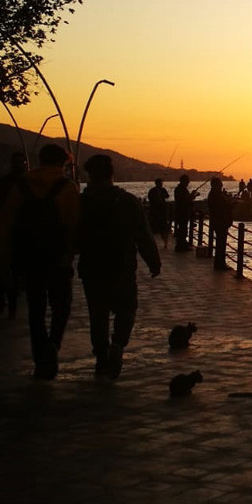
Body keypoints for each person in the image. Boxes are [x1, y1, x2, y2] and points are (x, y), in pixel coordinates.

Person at [0, 143, 80, 379]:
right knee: (62, 304)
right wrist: (70, 255)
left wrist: (2, 258)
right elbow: (73, 227)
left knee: (35, 307)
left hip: (28, 258)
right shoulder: (67, 187)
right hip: (58, 259)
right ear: (63, 162)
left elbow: (6, 226)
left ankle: (40, 355)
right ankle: (53, 343)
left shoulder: (21, 186)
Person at [78, 155, 162, 379]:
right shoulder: (127, 201)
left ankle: (101, 357)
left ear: (91, 175)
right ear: (111, 174)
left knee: (98, 314)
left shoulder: (82, 202)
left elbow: (71, 236)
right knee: (127, 308)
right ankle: (118, 344)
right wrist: (153, 261)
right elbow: (143, 235)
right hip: (122, 266)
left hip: (92, 268)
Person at [0, 152, 26, 317]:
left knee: (2, 264)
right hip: (21, 232)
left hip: (7, 230)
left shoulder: (6, 181)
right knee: (15, 268)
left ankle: (3, 299)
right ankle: (9, 302)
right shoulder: (28, 182)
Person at [207, 177, 235, 270]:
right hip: (220, 222)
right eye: (220, 184)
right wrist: (231, 203)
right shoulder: (216, 195)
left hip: (218, 221)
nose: (221, 185)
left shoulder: (214, 194)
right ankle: (220, 264)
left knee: (220, 243)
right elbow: (223, 205)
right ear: (215, 185)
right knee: (221, 244)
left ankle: (219, 263)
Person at [173, 174, 198, 252]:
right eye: (187, 181)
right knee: (182, 229)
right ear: (183, 181)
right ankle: (181, 246)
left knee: (183, 229)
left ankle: (182, 244)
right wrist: (193, 195)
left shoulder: (180, 189)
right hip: (182, 212)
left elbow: (187, 199)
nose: (188, 182)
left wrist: (192, 195)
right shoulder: (181, 189)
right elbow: (185, 200)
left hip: (182, 211)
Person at [146, 178, 171, 249]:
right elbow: (150, 199)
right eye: (160, 183)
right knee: (155, 228)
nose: (161, 184)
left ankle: (165, 243)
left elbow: (167, 196)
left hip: (161, 212)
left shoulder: (162, 190)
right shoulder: (153, 191)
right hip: (156, 212)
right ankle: (153, 243)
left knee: (163, 228)